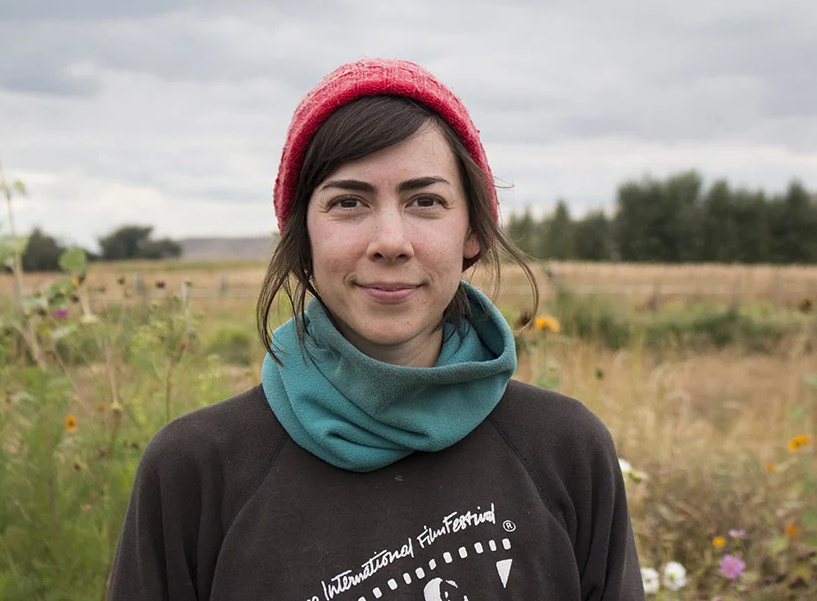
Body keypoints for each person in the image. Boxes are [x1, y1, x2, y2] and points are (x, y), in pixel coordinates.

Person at [107, 58, 645, 600]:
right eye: (348, 202)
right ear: (302, 238)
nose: (390, 240)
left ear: (473, 233)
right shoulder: (195, 473)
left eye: (425, 201)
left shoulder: (565, 450)